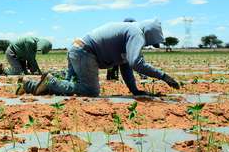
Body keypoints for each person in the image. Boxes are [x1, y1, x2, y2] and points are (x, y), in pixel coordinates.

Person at [16, 19, 180, 97]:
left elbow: (126, 66)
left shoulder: (129, 31)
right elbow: (135, 62)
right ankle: (51, 80)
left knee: (67, 89)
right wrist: (163, 76)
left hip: (76, 48)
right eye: (152, 43)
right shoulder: (136, 33)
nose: (149, 45)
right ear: (149, 35)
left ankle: (29, 85)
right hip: (85, 53)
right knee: (90, 91)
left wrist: (135, 90)